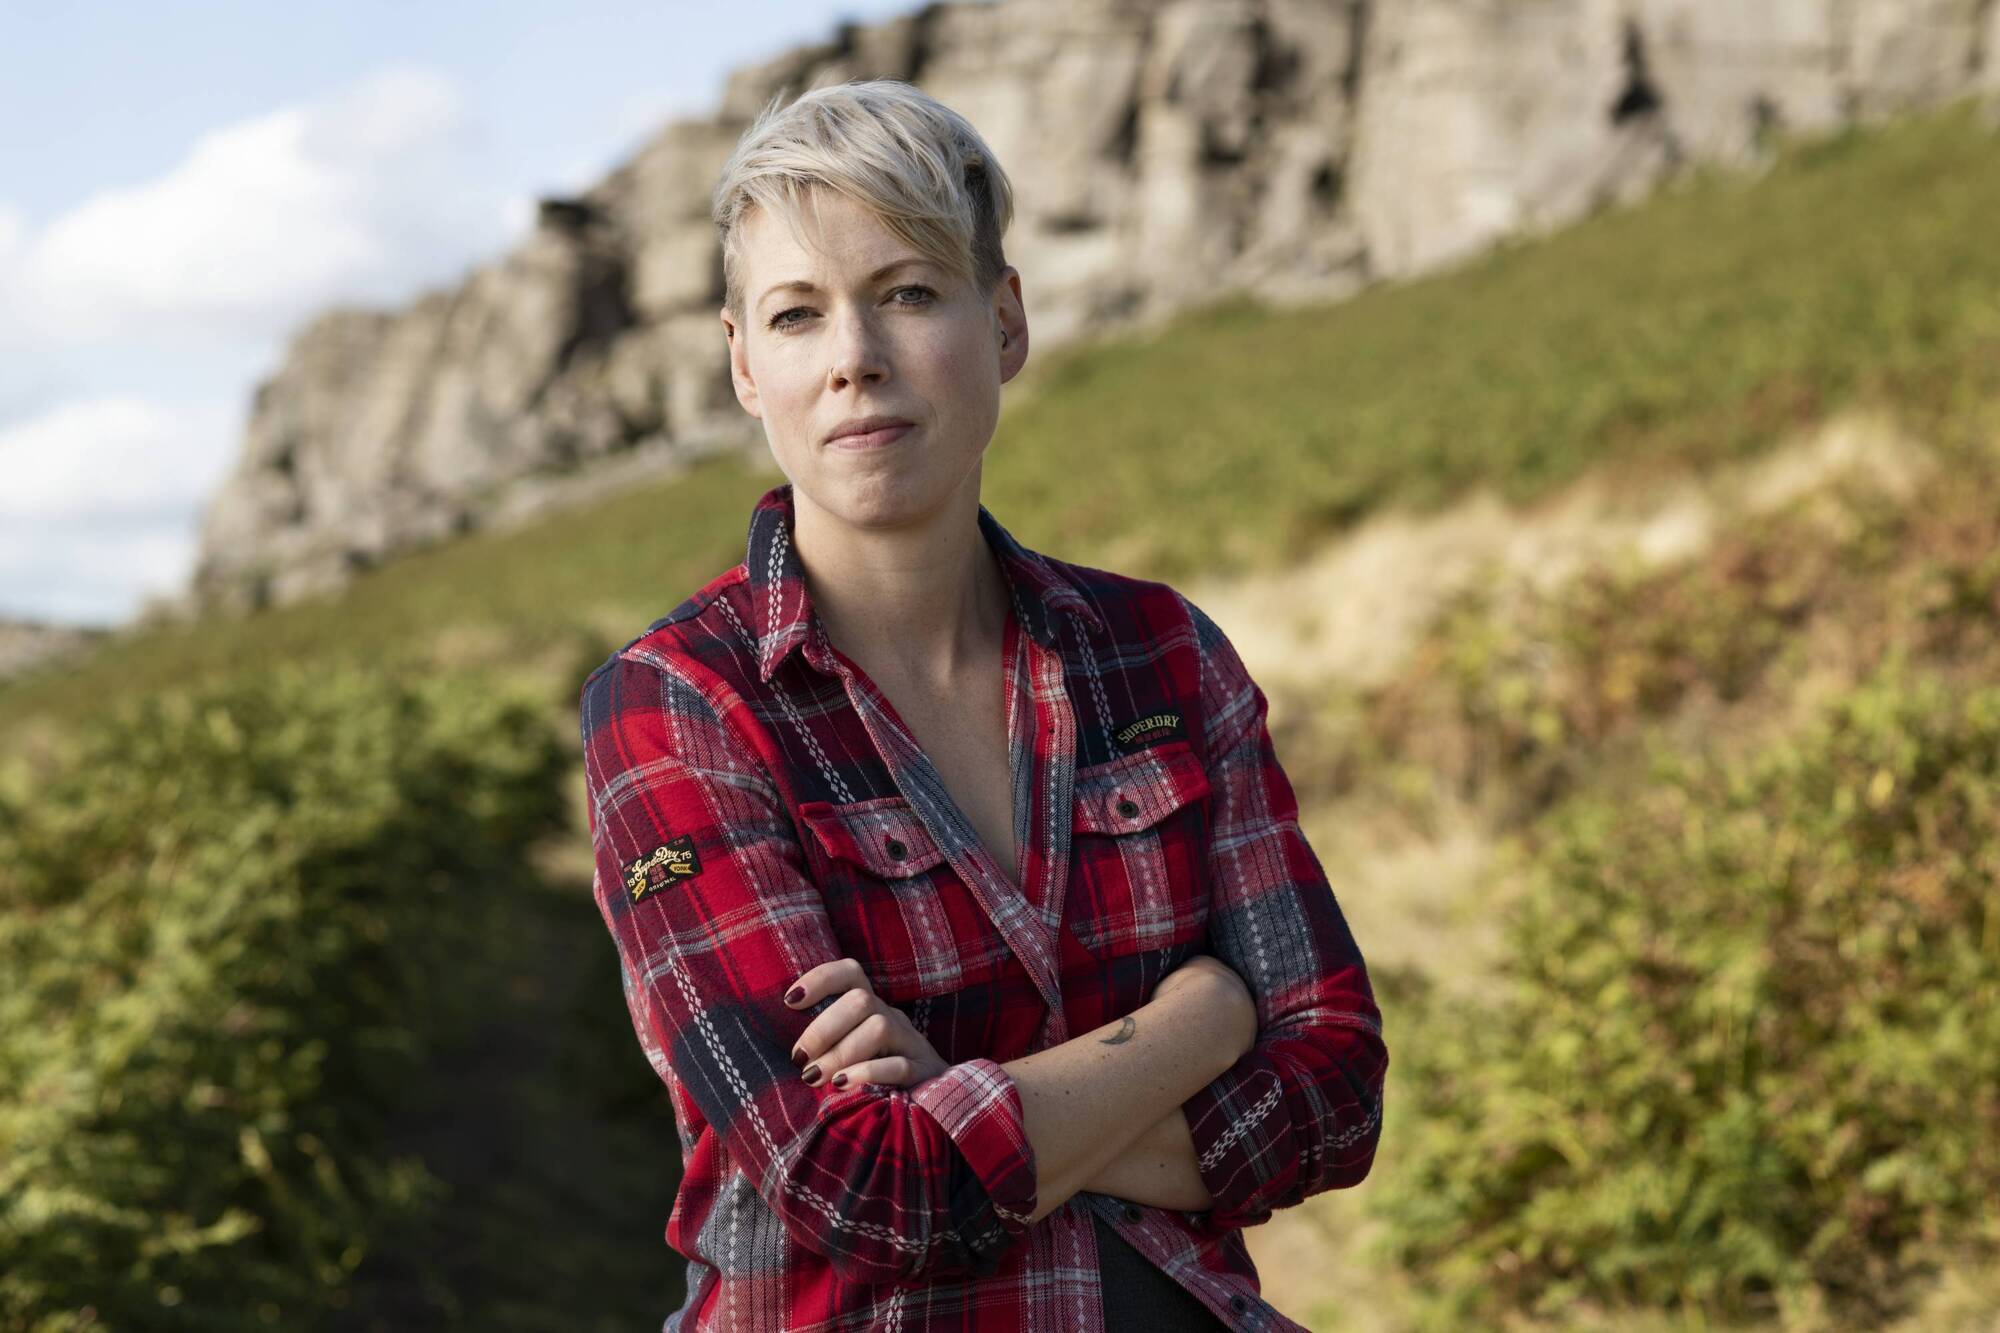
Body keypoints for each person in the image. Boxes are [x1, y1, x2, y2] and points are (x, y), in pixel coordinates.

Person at [578, 78, 1387, 1332]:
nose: (853, 359)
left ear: (1003, 320)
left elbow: (1334, 1093)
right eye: (796, 315)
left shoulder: (1161, 656)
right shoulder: (673, 707)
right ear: (743, 364)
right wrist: (1202, 1018)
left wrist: (949, 1092)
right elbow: (860, 1188)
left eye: (906, 293)